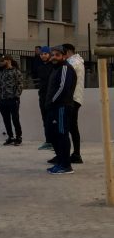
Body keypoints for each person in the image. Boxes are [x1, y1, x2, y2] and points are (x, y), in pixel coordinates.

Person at [44, 46, 77, 174]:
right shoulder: (55, 69)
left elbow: (62, 87)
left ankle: (66, 165)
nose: (54, 57)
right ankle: (60, 162)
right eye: (52, 55)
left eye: (57, 55)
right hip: (54, 107)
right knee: (54, 134)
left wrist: (53, 101)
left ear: (64, 56)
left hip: (62, 106)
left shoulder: (65, 68)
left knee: (62, 135)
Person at [63, 43, 85, 164]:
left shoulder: (73, 63)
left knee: (71, 127)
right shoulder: (77, 62)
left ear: (67, 51)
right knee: (72, 127)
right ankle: (75, 154)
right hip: (75, 98)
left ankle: (76, 154)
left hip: (72, 98)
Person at [0, 56, 24, 146]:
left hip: (13, 99)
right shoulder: (1, 72)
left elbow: (20, 84)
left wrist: (16, 96)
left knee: (15, 119)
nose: (0, 63)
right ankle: (10, 137)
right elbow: (0, 86)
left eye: (2, 61)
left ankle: (18, 137)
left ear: (8, 61)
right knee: (6, 119)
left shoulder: (16, 71)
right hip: (3, 100)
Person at [34, 47, 54, 151]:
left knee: (52, 120)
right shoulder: (41, 66)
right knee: (45, 119)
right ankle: (48, 141)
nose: (43, 55)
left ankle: (54, 141)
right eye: (42, 54)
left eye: (46, 53)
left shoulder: (54, 66)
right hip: (43, 96)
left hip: (51, 97)